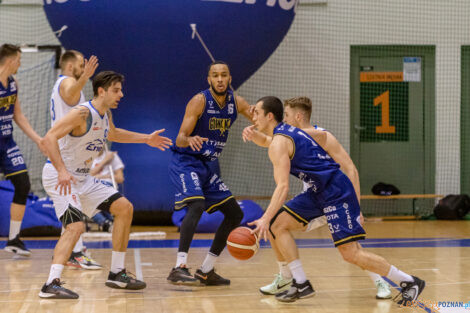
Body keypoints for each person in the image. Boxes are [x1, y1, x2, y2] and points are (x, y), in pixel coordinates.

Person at [247, 96, 425, 305]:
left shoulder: (284, 139)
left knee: (350, 253)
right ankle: (301, 282)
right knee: (278, 224)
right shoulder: (285, 135)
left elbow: (283, 186)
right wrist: (254, 136)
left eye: (256, 113)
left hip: (336, 192)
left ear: (269, 116)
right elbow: (269, 141)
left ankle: (408, 281)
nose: (253, 117)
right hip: (317, 192)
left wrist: (264, 218)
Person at [39, 71, 172, 299]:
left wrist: (146, 138)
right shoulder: (81, 113)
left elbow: (115, 133)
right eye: (116, 90)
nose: (121, 94)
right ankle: (51, 283)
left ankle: (117, 273)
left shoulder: (105, 114)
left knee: (124, 208)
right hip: (60, 176)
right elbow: (48, 138)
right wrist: (61, 170)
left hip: (83, 178)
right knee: (75, 227)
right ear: (101, 91)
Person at [167, 61, 254, 286]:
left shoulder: (237, 102)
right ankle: (179, 266)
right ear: (209, 79)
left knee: (235, 214)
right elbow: (179, 138)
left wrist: (253, 128)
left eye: (223, 75)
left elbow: (261, 120)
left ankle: (206, 270)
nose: (220, 79)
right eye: (215, 75)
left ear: (229, 78)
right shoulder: (199, 101)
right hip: (186, 161)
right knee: (196, 204)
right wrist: (190, 139)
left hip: (206, 166)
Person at [49, 50, 103, 270]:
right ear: (71, 67)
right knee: (75, 209)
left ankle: (75, 252)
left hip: (72, 154)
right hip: (64, 155)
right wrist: (85, 77)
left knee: (74, 207)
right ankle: (76, 253)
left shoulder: (69, 83)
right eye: (82, 64)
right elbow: (71, 94)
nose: (85, 67)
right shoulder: (67, 82)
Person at [0, 44, 47, 257]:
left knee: (23, 184)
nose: (20, 63)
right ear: (10, 61)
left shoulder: (13, 83)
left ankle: (14, 239)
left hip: (7, 142)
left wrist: (38, 139)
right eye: (19, 59)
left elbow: (18, 116)